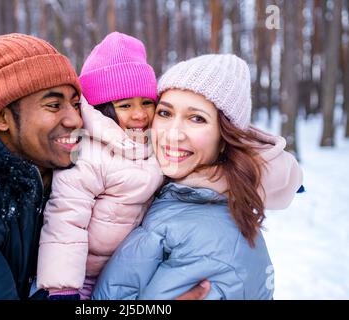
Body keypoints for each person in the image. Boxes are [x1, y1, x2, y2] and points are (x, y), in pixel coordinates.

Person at [0, 33, 210, 300]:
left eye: (76, 104)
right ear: (1, 117)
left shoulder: (40, 170)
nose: (75, 120)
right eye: (53, 105)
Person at [92, 54, 303, 300]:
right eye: (165, 113)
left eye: (196, 118)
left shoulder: (211, 238)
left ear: (225, 138)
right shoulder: (170, 192)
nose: (172, 133)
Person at [37, 32, 164, 300]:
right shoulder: (87, 152)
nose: (139, 114)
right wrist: (63, 288)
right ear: (103, 109)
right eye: (125, 105)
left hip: (130, 273)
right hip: (83, 277)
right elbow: (65, 218)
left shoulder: (155, 144)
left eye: (147, 103)